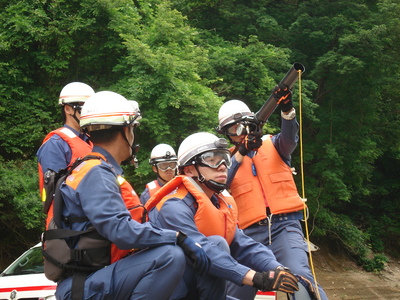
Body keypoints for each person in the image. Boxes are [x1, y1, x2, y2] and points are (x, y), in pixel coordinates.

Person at [44, 91, 210, 300]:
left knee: (181, 267)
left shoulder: (90, 169)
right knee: (170, 256)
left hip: (93, 279)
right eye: (132, 128)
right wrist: (177, 237)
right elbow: (121, 231)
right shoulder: (97, 173)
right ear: (126, 131)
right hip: (83, 285)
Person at [145, 132, 300, 300]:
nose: (222, 166)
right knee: (218, 243)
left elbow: (243, 244)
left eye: (225, 159)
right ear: (189, 170)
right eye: (212, 160)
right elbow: (204, 249)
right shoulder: (173, 206)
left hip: (194, 288)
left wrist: (277, 269)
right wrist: (255, 278)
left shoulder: (218, 203)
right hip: (168, 292)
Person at [215, 84, 328, 300]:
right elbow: (222, 182)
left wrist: (287, 111)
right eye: (232, 130)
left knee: (300, 276)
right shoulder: (226, 159)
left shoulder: (273, 143)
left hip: (284, 226)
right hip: (248, 235)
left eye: (242, 126)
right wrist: (242, 151)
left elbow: (289, 140)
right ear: (227, 134)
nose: (239, 133)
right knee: (235, 287)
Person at [37, 82, 95, 202]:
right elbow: (56, 191)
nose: (90, 114)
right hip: (68, 219)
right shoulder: (55, 144)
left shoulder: (91, 141)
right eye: (84, 109)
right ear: (68, 109)